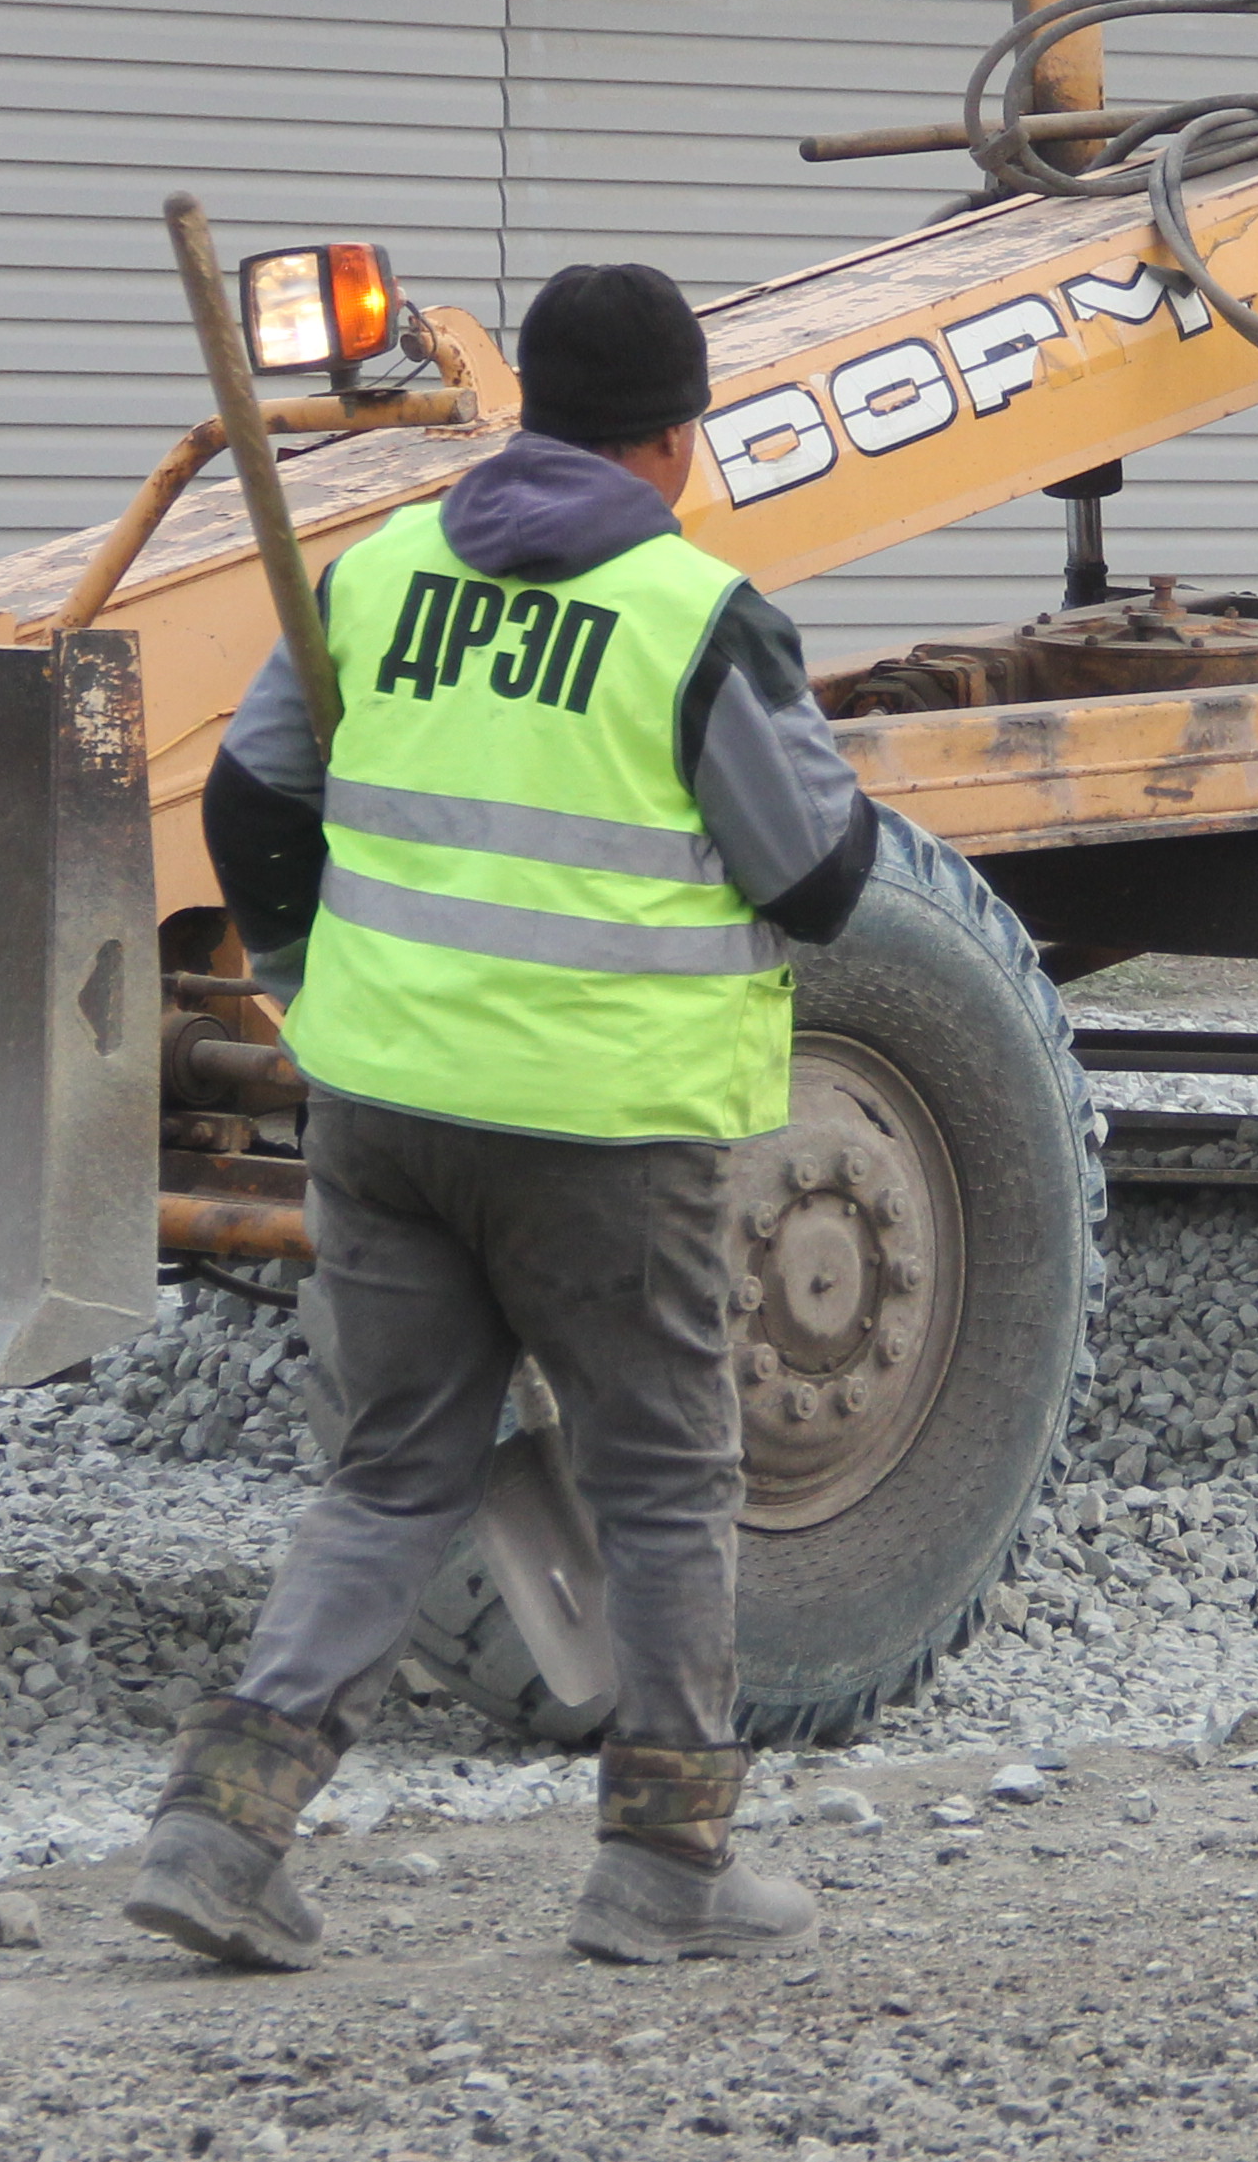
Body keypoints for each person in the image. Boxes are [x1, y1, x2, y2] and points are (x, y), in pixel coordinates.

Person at [126, 260, 882, 1973]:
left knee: (393, 1468)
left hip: (385, 1100)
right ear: (680, 437)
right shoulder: (695, 616)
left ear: (523, 407)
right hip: (604, 1127)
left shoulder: (375, 573)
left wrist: (316, 979)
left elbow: (253, 801)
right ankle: (667, 1864)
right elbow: (819, 880)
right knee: (667, 1481)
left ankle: (218, 1831)